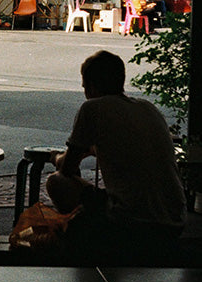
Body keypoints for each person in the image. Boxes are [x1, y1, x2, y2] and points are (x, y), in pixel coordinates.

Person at [46, 50, 186, 253]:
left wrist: (56, 157)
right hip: (175, 222)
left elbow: (67, 168)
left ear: (92, 86)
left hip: (131, 223)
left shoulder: (92, 108)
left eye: (85, 86)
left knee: (56, 182)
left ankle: (89, 243)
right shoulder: (148, 108)